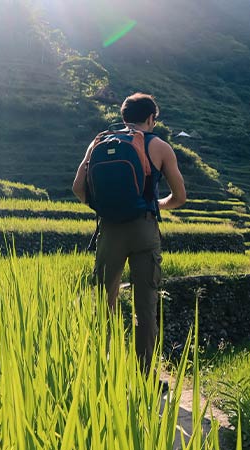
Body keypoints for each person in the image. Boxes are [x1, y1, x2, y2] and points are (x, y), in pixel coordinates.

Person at [72, 93, 186, 373]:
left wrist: (105, 207)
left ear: (123, 117)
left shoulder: (98, 142)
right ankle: (145, 374)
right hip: (143, 229)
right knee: (145, 304)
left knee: (104, 298)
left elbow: (77, 187)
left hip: (109, 229)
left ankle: (105, 366)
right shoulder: (159, 146)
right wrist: (155, 204)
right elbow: (180, 197)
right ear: (151, 118)